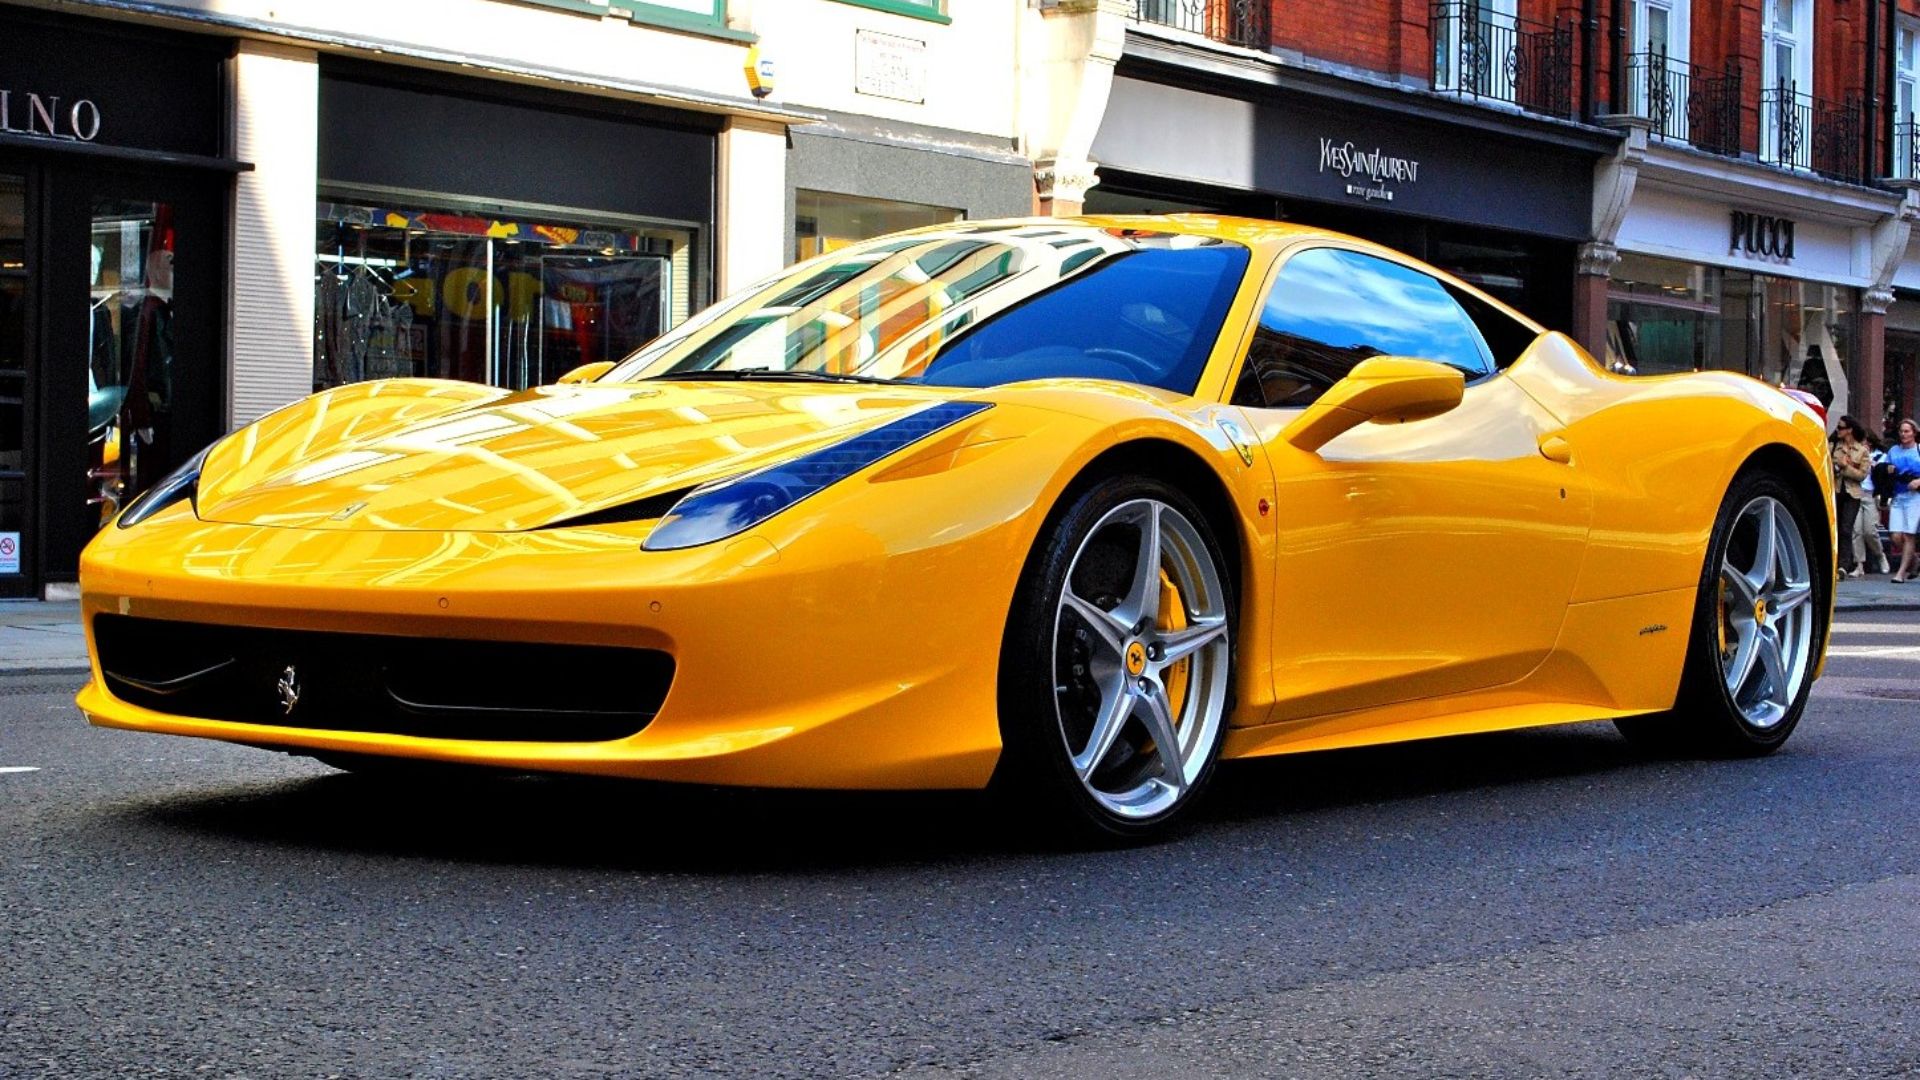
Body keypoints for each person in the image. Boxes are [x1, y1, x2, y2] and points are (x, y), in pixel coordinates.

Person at [1833, 416, 1869, 576]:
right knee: (1835, 528)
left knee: (1846, 528)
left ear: (1849, 430)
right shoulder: (1833, 446)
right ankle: (1833, 561)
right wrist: (1837, 467)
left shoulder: (1861, 451)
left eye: (1841, 428)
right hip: (1835, 490)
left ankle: (1843, 564)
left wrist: (1845, 466)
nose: (1838, 430)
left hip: (1852, 494)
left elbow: (1862, 475)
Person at [1886, 418, 1920, 583]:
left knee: (1909, 534)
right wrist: (1888, 469)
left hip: (1915, 497)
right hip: (1898, 495)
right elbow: (1883, 468)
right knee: (1895, 536)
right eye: (1901, 431)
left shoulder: (1919, 450)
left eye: (1907, 431)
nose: (1903, 434)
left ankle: (1900, 573)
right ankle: (1914, 560)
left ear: (1914, 433)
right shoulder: (1894, 450)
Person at [1855, 425, 1891, 576]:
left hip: (1870, 495)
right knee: (1856, 531)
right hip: (1855, 494)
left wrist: (1875, 467)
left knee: (1870, 531)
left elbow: (1884, 475)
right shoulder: (1855, 454)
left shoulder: (1879, 456)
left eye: (1864, 442)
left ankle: (1880, 555)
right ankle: (1859, 565)